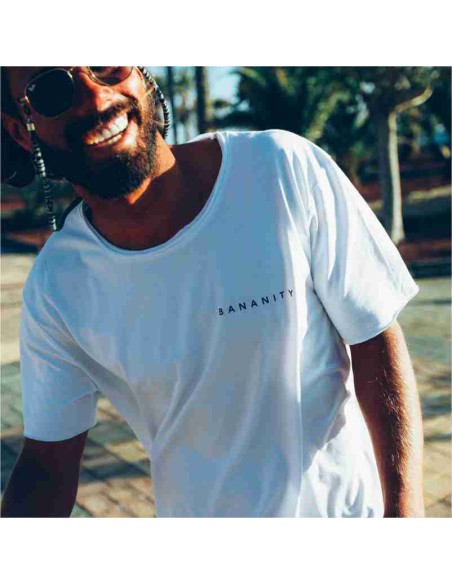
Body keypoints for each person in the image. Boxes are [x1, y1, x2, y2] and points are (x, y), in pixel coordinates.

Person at [1, 66, 424, 518]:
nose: (96, 97)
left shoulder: (281, 168)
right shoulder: (58, 285)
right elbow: (47, 465)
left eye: (106, 63)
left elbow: (374, 336)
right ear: (22, 132)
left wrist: (404, 517)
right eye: (51, 89)